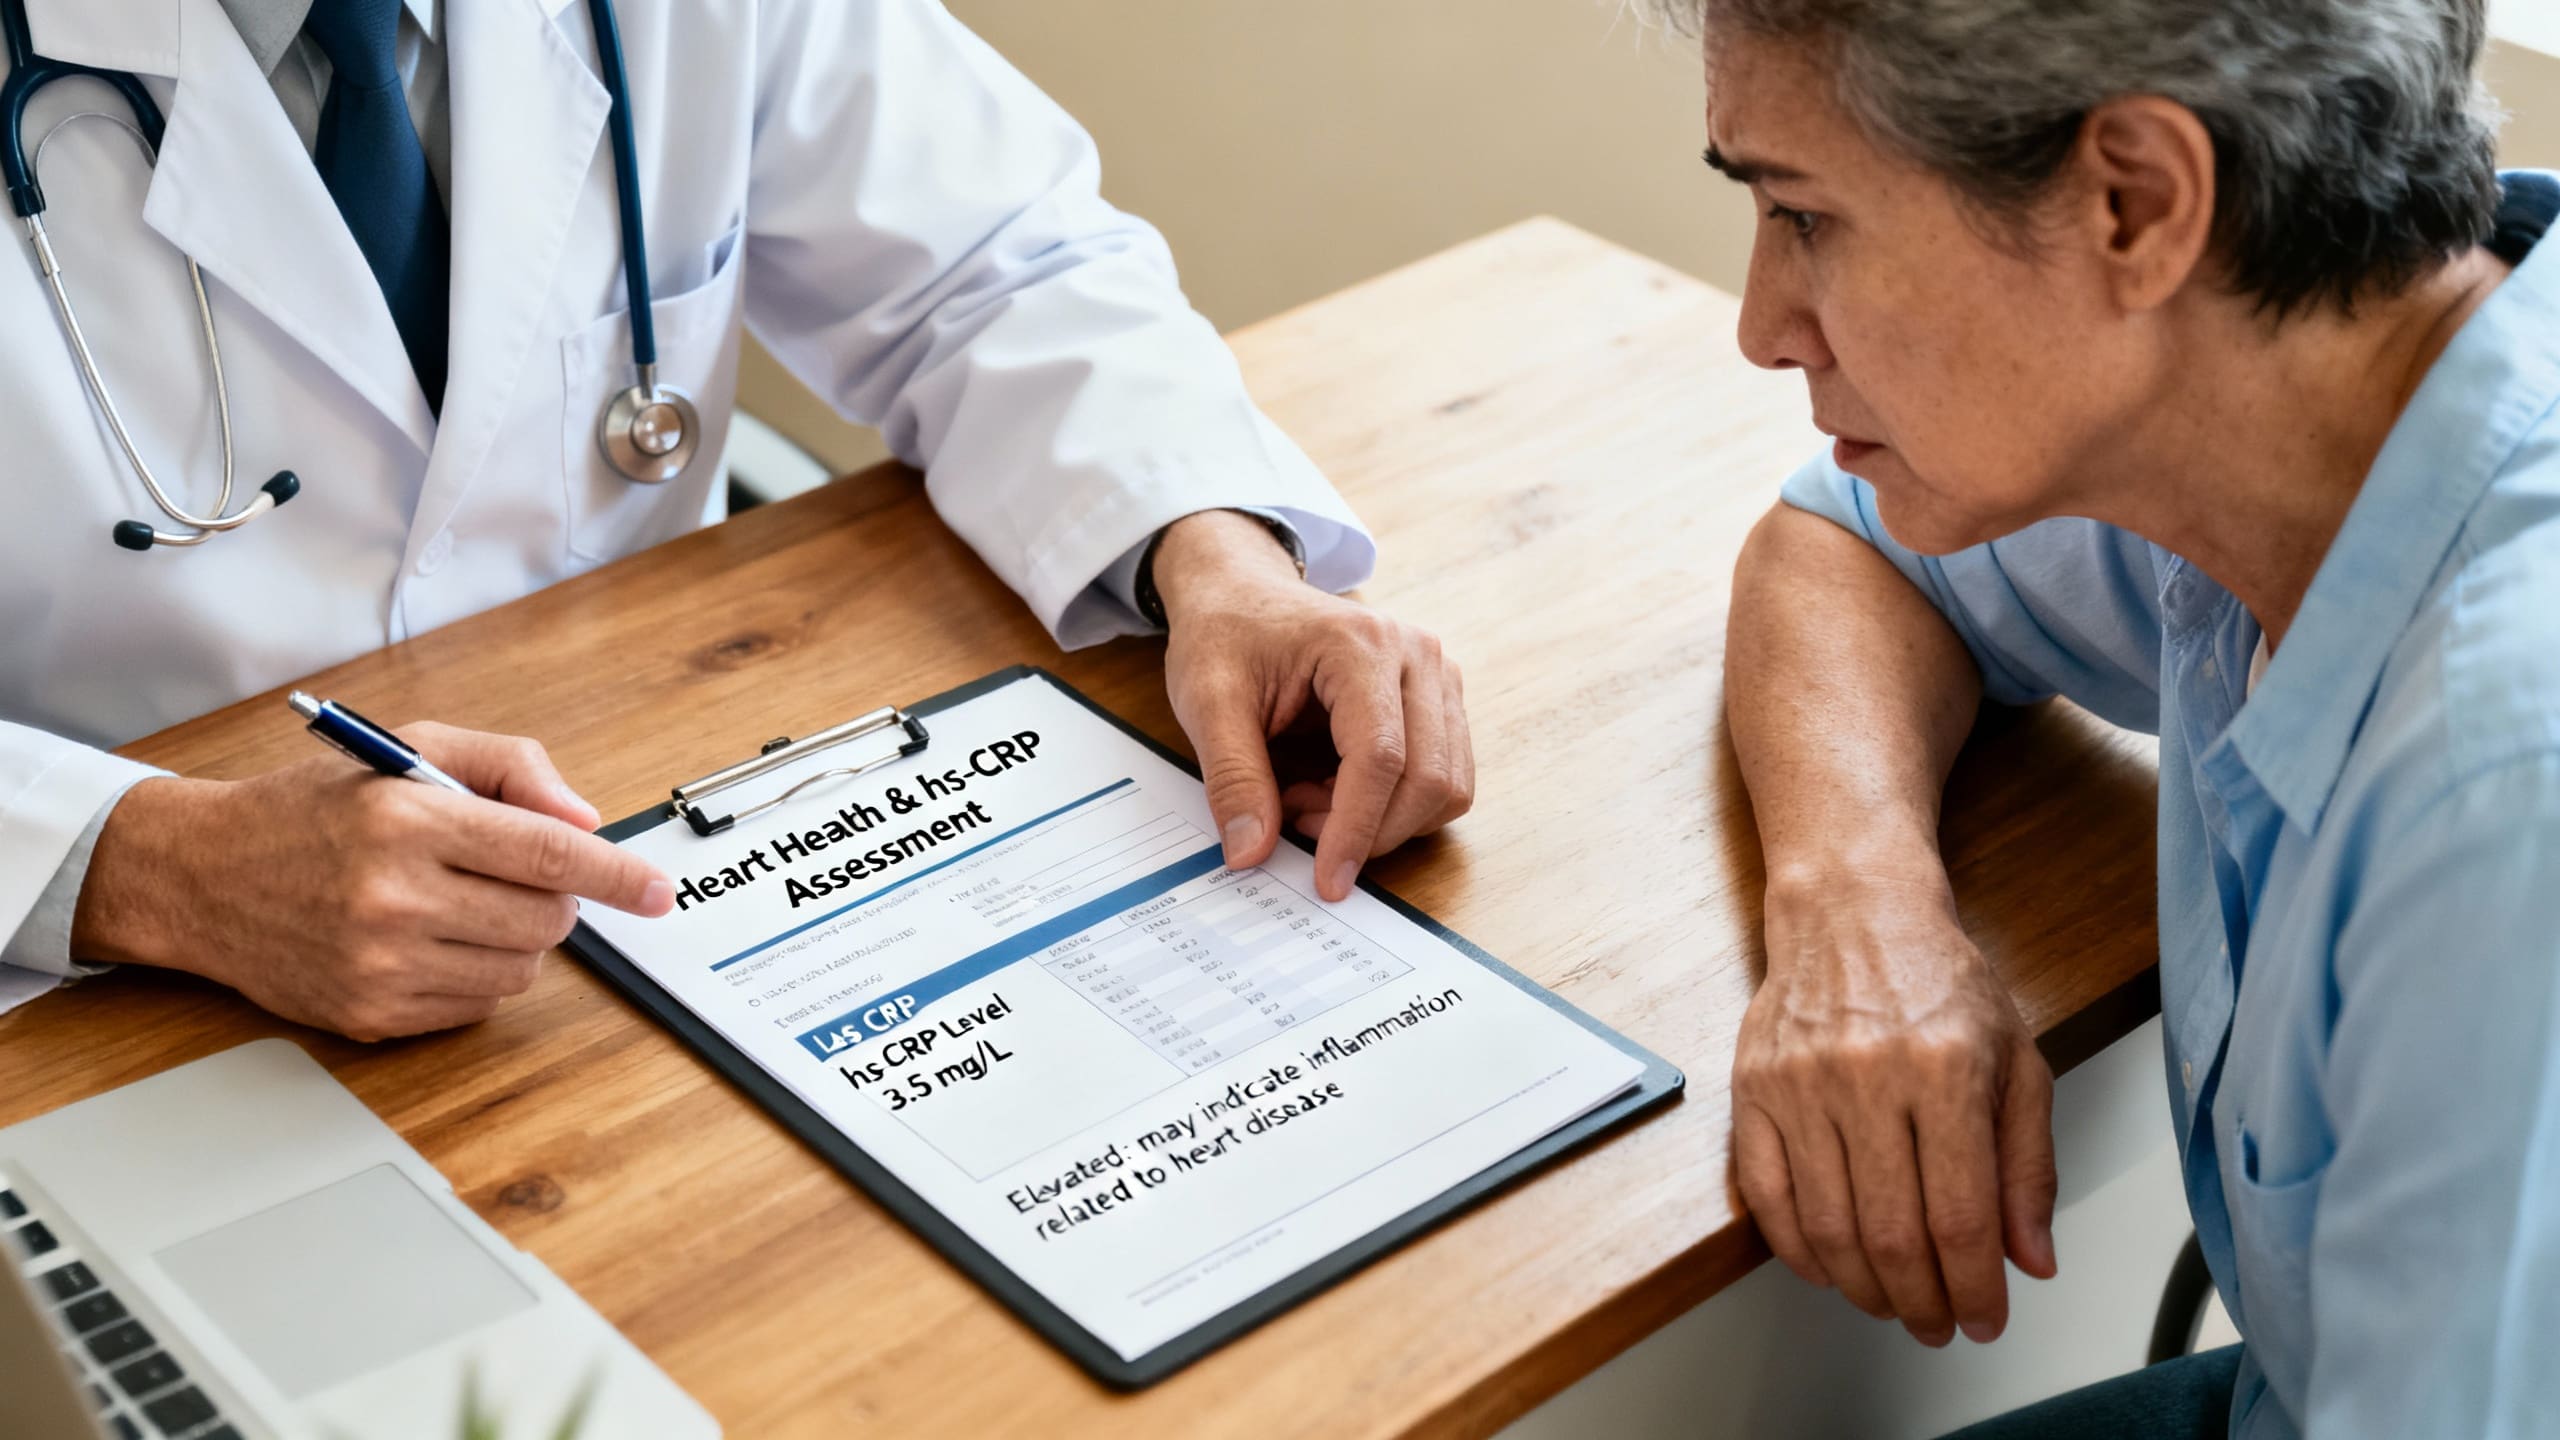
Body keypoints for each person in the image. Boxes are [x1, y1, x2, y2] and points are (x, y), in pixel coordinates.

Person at [0, 0, 1473, 1040]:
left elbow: (992, 266)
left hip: (652, 895)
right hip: (118, 997)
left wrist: (1218, 558)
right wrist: (155, 866)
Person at [1666, 0, 2560, 1432]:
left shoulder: (2501, 796)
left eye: (1808, 218)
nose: (1762, 326)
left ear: (2134, 204)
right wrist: (1863, 905)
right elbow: (1836, 550)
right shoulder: (2268, 416)